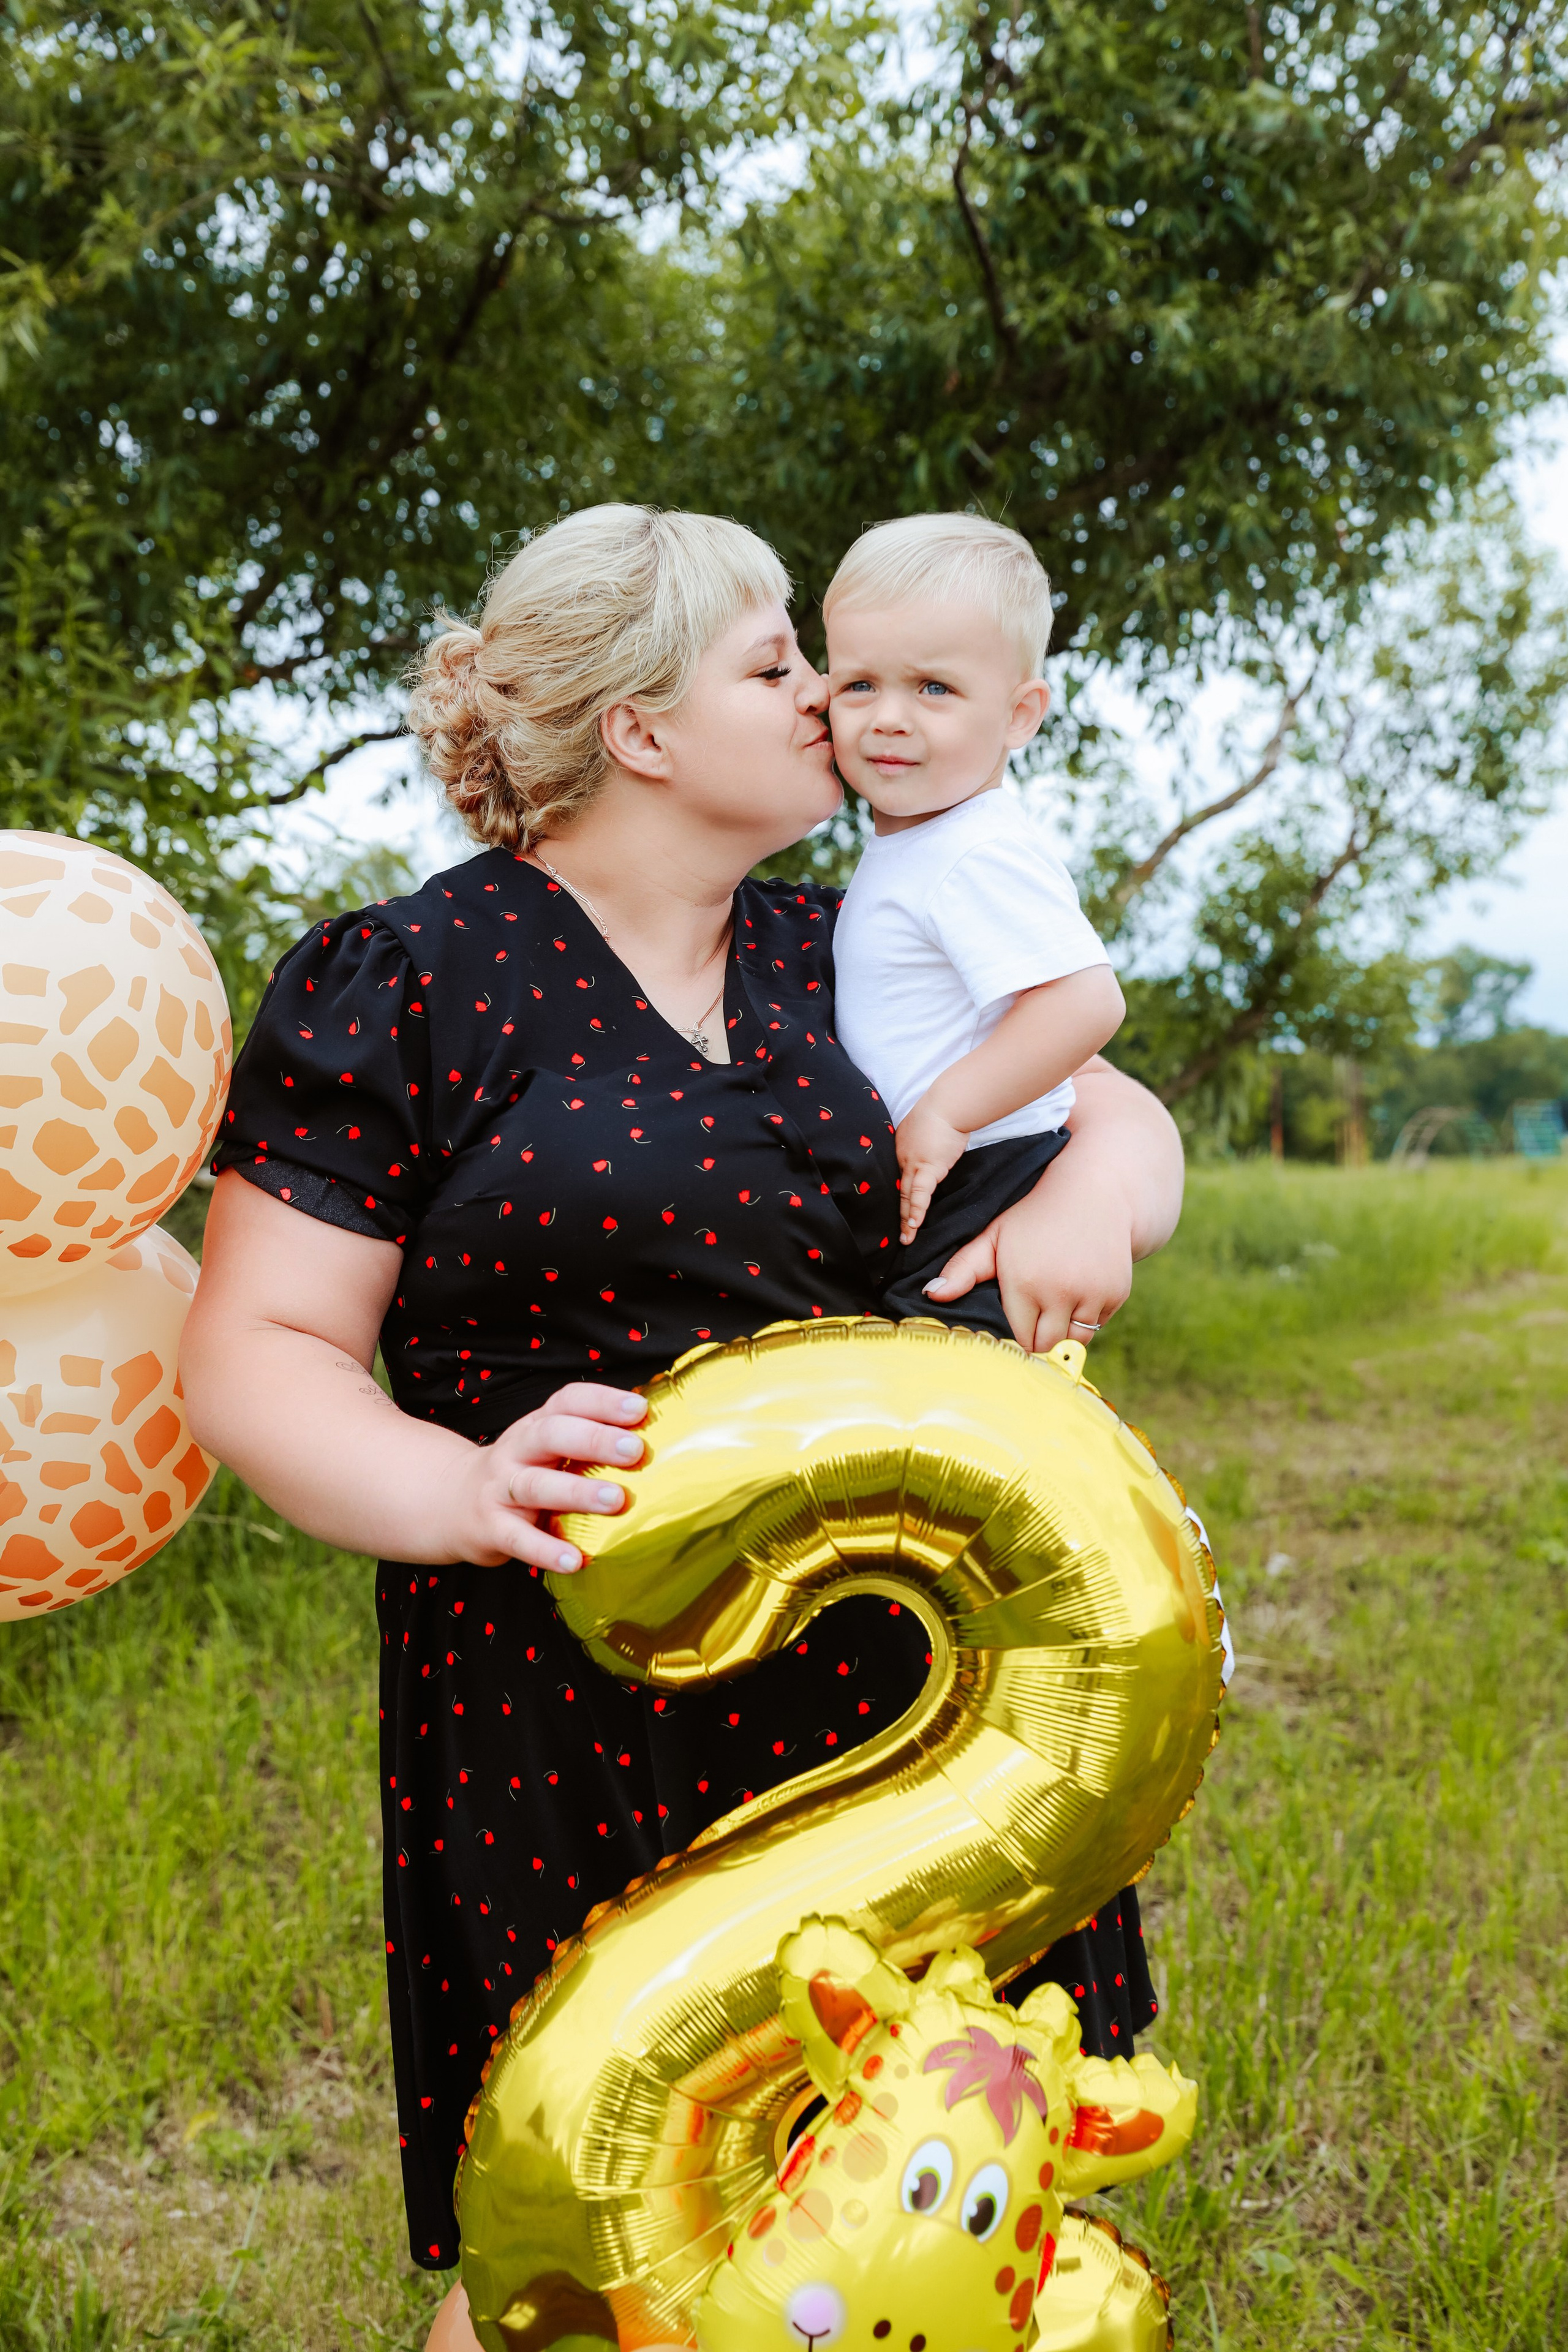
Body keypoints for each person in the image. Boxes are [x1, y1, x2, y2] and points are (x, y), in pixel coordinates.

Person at [179, 504, 1185, 2352]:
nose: (829, 699)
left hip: (915, 1713)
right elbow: (254, 1352)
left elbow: (1108, 1103)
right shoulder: (410, 983)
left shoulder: (849, 944)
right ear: (643, 730)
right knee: (587, 2245)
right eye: (779, 660)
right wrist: (461, 1483)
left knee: (940, 2237)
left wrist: (1093, 1197)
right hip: (575, 1702)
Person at [827, 512, 1123, 1341]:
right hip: (951, 1174)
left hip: (983, 1177)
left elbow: (1085, 1003)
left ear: (1021, 715)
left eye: (934, 688)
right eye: (858, 684)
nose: (887, 717)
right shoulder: (922, 838)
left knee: (950, 1412)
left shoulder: (974, 849)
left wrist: (949, 1112)